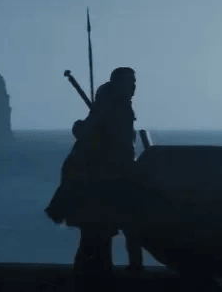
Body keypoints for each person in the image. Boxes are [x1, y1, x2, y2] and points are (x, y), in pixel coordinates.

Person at [45, 67, 144, 289]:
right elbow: (87, 133)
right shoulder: (111, 107)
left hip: (107, 181)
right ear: (119, 83)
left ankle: (96, 277)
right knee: (96, 235)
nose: (134, 86)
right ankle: (93, 280)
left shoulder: (115, 107)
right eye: (130, 81)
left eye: (134, 82)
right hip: (99, 184)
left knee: (98, 236)